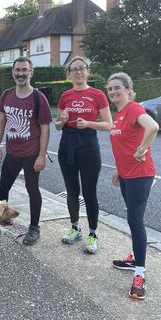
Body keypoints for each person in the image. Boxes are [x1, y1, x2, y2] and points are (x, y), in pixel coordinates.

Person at [106, 72, 159, 300]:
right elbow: (124, 143)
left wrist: (142, 150)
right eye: (110, 89)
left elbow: (153, 127)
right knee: (132, 218)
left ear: (128, 89)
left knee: (135, 220)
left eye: (117, 88)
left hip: (141, 174)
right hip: (127, 174)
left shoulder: (135, 109)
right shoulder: (119, 115)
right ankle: (135, 257)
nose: (113, 92)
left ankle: (140, 274)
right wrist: (119, 168)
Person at [55, 57, 112, 253]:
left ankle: (93, 233)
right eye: (74, 69)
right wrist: (61, 121)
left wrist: (89, 124)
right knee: (71, 190)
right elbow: (57, 125)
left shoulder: (97, 94)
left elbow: (108, 124)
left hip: (88, 145)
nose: (78, 72)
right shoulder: (65, 96)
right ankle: (75, 227)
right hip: (67, 144)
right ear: (69, 74)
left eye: (82, 68)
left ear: (87, 71)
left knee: (89, 192)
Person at [0, 56, 52, 245]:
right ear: (13, 72)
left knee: (32, 190)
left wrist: (41, 156)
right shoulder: (7, 94)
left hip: (31, 153)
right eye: (17, 70)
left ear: (31, 72)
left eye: (24, 70)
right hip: (12, 152)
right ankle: (0, 221)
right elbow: (1, 120)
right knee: (2, 188)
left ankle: (34, 227)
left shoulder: (38, 97)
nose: (20, 74)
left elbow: (45, 128)